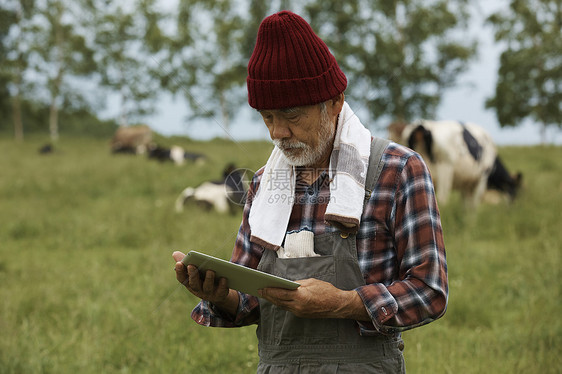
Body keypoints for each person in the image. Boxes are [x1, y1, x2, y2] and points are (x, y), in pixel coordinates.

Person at [173, 10, 448, 373]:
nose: (278, 133)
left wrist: (345, 303)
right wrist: (220, 294)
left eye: (291, 115)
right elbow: (250, 303)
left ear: (334, 103)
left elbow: (430, 291)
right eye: (267, 117)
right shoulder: (263, 184)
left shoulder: (398, 171)